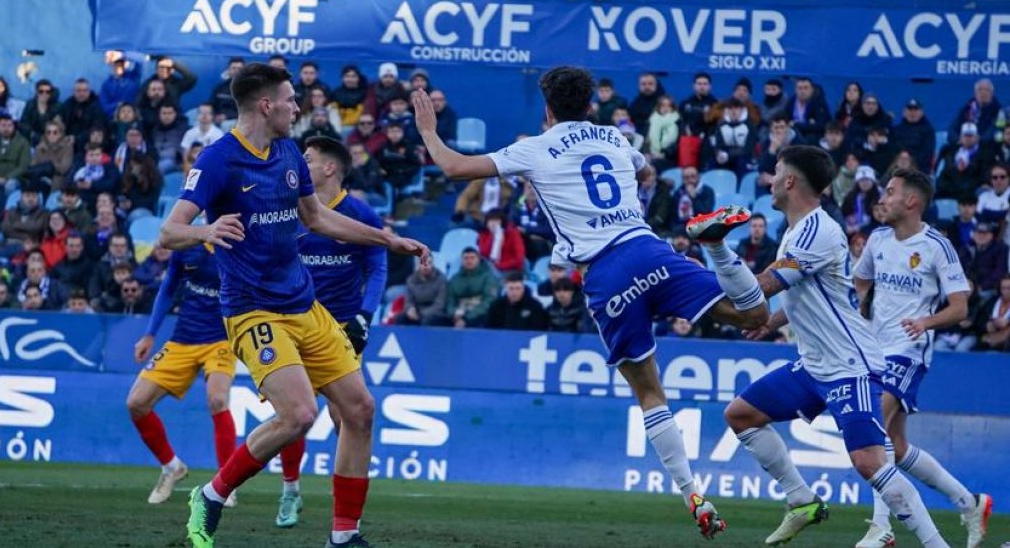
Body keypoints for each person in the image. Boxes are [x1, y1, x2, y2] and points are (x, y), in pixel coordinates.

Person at [413, 67, 769, 538]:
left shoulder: (534, 149)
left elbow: (455, 167)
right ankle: (718, 247)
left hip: (605, 275)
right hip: (648, 249)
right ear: (590, 105)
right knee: (754, 315)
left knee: (649, 393)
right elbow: (643, 169)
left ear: (547, 110)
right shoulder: (614, 136)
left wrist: (428, 132)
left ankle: (692, 495)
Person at [163, 63, 425, 548]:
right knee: (300, 414)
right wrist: (204, 231)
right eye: (290, 99)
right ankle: (212, 495)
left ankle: (344, 536)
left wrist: (387, 239)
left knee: (361, 409)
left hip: (305, 306)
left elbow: (317, 217)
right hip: (252, 311)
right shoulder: (219, 160)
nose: (298, 106)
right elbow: (168, 231)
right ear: (267, 105)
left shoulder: (287, 151)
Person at [693, 146, 948, 547]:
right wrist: (772, 321)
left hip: (850, 365)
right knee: (741, 415)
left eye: (776, 173)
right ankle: (801, 499)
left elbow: (762, 286)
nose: (771, 181)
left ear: (790, 181)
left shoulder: (817, 230)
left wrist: (717, 249)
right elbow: (809, 294)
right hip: (814, 365)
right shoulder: (797, 230)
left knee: (869, 462)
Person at [851, 168, 992, 548]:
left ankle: (882, 528)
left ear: (912, 202)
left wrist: (925, 321)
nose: (883, 198)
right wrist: (861, 301)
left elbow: (960, 307)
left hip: (909, 352)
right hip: (875, 350)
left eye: (891, 191)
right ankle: (970, 502)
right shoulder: (878, 239)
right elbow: (860, 279)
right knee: (895, 448)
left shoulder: (936, 247)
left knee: (874, 421)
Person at [275, 136, 387, 528]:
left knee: (348, 418)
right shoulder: (289, 212)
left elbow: (378, 266)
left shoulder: (359, 214)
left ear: (329, 168)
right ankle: (290, 490)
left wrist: (365, 315)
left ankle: (345, 510)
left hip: (340, 329)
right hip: (295, 322)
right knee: (294, 413)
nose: (300, 164)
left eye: (307, 159)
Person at [126, 242, 239, 506]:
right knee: (136, 403)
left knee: (217, 400)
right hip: (184, 338)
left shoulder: (243, 243)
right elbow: (167, 289)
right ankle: (172, 467)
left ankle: (227, 483)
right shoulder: (187, 245)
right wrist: (150, 334)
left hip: (222, 339)